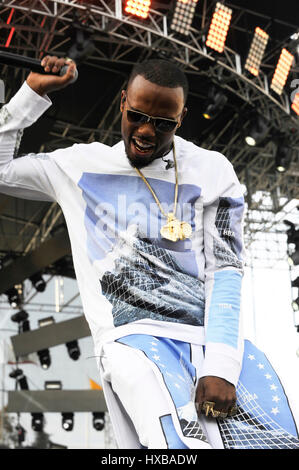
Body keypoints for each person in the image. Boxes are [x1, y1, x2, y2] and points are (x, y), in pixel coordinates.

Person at [0, 56, 298, 449]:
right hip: (129, 340)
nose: (145, 131)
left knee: (275, 441)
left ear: (182, 116)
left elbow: (226, 270)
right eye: (137, 115)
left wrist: (222, 364)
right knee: (178, 446)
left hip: (207, 340)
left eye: (163, 123)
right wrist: (32, 93)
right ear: (123, 101)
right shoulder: (78, 165)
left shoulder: (212, 170)